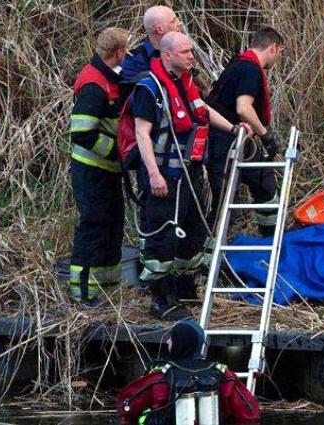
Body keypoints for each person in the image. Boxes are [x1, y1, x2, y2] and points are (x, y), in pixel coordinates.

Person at [129, 32, 252, 320]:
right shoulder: (150, 88)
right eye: (185, 52)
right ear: (167, 54)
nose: (191, 56)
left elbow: (203, 111)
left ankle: (185, 289)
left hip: (191, 173)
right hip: (165, 176)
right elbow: (141, 133)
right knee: (163, 236)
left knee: (193, 231)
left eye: (191, 52)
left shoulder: (186, 83)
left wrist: (233, 128)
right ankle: (161, 299)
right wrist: (154, 174)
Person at [205, 27, 285, 250]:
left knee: (264, 181)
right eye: (280, 53)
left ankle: (271, 239)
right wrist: (266, 135)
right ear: (273, 48)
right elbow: (243, 108)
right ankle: (209, 258)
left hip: (239, 138)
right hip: (227, 140)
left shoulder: (238, 63)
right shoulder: (250, 69)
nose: (278, 59)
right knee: (222, 199)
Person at [67, 27, 130, 306]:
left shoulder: (108, 78)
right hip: (92, 169)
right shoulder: (94, 84)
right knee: (93, 225)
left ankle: (107, 287)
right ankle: (82, 292)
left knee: (112, 224)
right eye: (125, 51)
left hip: (106, 169)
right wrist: (116, 152)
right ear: (118, 53)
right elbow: (82, 132)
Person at [115, 320, 260, 424]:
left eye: (171, 338)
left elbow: (126, 405)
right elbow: (250, 414)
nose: (167, 342)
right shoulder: (223, 374)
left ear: (180, 342)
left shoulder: (160, 377)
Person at [120, 5, 182, 83]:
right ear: (159, 29)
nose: (180, 24)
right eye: (173, 21)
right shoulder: (133, 63)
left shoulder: (183, 51)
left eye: (177, 19)